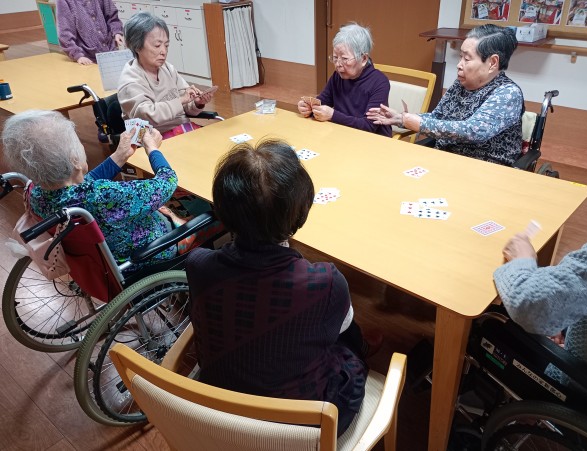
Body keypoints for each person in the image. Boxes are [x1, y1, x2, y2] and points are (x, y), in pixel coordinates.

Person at [186, 139, 372, 436]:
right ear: (300, 212)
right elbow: (342, 330)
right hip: (299, 428)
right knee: (351, 344)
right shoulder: (325, 282)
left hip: (220, 412)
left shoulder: (198, 264)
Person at [1, 110, 182, 265]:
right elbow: (167, 182)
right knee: (194, 220)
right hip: (145, 254)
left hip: (97, 262)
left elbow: (81, 187)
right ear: (74, 159)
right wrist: (152, 148)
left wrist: (120, 155)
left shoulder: (37, 194)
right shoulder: (104, 195)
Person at [367, 24, 524, 166]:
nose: (459, 65)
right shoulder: (461, 84)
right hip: (446, 160)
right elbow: (438, 117)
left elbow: (473, 131)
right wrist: (400, 118)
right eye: (460, 57)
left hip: (485, 168)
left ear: (492, 63)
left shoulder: (508, 93)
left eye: (467, 58)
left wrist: (414, 122)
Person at [494, 232, 587, 381]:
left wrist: (522, 258)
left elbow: (527, 305)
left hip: (578, 383)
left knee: (493, 322)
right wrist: (564, 314)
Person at [118, 12, 215, 138]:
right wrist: (182, 100)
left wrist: (196, 102)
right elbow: (147, 116)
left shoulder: (168, 69)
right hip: (151, 139)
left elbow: (186, 105)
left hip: (180, 130)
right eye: (157, 45)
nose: (164, 51)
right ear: (136, 46)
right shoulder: (130, 80)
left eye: (166, 45)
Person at [297, 23, 392, 138]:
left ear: (363, 59)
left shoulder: (379, 82)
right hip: (343, 135)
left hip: (373, 141)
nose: (338, 64)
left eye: (344, 58)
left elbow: (368, 126)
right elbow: (322, 102)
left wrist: (332, 115)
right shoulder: (338, 76)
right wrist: (309, 107)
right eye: (335, 57)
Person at [56, 0, 124, 65]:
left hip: (111, 50)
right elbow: (65, 34)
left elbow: (112, 17)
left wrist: (117, 32)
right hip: (88, 58)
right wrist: (77, 55)